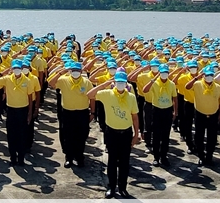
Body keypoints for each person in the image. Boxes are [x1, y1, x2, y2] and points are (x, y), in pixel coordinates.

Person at [87, 70, 141, 200]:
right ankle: (111, 187)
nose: (120, 85)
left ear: (126, 83)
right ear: (115, 82)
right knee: (111, 161)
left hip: (126, 133)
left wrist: (136, 135)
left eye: (123, 82)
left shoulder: (131, 97)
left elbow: (135, 117)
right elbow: (89, 94)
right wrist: (105, 83)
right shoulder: (107, 94)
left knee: (124, 162)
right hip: (111, 132)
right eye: (118, 82)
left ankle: (122, 187)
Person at [0, 60, 35, 166]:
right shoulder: (7, 79)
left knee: (22, 135)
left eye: (18, 68)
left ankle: (21, 159)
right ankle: (12, 158)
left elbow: (30, 98)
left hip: (23, 110)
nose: (16, 70)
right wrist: (3, 72)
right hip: (11, 110)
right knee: (11, 135)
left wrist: (30, 113)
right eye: (14, 68)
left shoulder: (27, 80)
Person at [51, 61, 92, 168]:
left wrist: (92, 111)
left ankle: (79, 157)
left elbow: (92, 97)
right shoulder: (64, 80)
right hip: (68, 112)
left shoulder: (86, 82)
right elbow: (51, 83)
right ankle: (69, 158)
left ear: (81, 71)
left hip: (82, 112)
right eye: (73, 71)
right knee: (68, 136)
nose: (75, 73)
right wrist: (61, 72)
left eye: (77, 71)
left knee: (81, 136)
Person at [186, 66, 220, 167]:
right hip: (200, 114)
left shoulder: (218, 87)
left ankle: (209, 157)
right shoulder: (198, 84)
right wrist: (197, 77)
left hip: (213, 115)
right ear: (204, 75)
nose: (209, 77)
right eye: (207, 75)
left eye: (211, 75)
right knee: (199, 136)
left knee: (212, 138)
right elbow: (187, 86)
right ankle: (201, 156)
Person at [142, 64, 178, 167]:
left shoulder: (171, 84)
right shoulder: (154, 83)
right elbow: (145, 90)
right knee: (156, 135)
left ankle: (164, 156)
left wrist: (175, 111)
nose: (164, 74)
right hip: (156, 110)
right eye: (162, 73)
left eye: (166, 72)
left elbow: (174, 98)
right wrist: (153, 79)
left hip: (167, 111)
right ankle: (156, 157)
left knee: (166, 136)